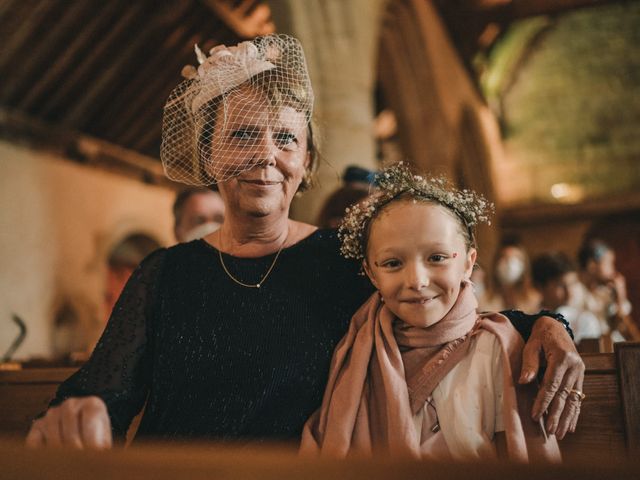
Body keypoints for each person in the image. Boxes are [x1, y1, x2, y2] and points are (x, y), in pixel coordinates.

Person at [26, 34, 583, 450]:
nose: (266, 155)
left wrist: (549, 325)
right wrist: (81, 416)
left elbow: (446, 313)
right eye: (243, 135)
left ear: (306, 160)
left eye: (285, 139)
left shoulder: (345, 258)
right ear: (208, 156)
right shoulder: (164, 273)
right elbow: (98, 392)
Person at [301, 164, 563, 461]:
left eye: (437, 258)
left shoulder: (497, 350)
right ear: (371, 273)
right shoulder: (356, 349)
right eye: (392, 264)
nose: (416, 281)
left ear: (467, 262)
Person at [574, 239, 639, 343]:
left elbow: (621, 328)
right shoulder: (574, 290)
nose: (613, 269)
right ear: (592, 265)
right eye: (609, 263)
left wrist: (620, 298)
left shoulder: (606, 293)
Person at [531, 252, 601, 346]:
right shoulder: (529, 323)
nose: (569, 293)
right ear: (539, 287)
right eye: (560, 285)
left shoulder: (585, 321)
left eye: (573, 284)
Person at [481, 238, 541, 313]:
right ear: (496, 264)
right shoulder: (482, 301)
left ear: (524, 265)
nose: (510, 264)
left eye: (516, 258)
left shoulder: (535, 300)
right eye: (505, 258)